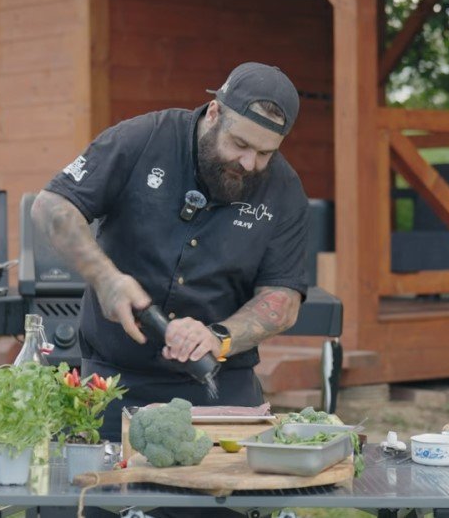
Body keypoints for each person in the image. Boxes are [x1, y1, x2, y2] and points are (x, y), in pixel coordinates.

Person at [32, 62, 308, 442]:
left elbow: (283, 298)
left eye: (265, 153)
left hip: (219, 384)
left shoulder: (285, 189)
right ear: (215, 113)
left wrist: (218, 338)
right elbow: (51, 207)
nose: (249, 163)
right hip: (112, 380)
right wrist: (107, 279)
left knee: (228, 497)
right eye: (240, 144)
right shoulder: (144, 138)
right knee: (98, 497)